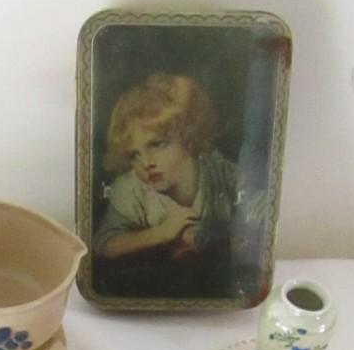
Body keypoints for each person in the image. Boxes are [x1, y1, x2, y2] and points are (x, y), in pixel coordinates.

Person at [93, 73, 255, 298]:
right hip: (154, 291)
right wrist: (161, 233)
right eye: (134, 155)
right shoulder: (130, 189)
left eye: (157, 144)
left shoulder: (219, 171)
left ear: (189, 137)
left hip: (216, 289)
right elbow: (103, 245)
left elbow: (258, 206)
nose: (146, 163)